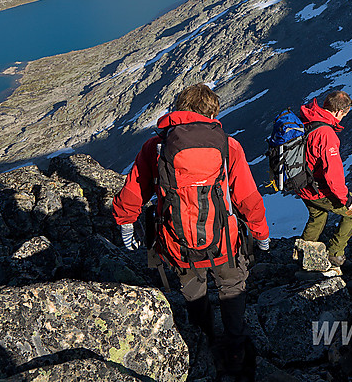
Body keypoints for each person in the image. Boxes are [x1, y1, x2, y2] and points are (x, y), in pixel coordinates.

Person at [112, 83, 269, 375]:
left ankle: (205, 340)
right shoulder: (228, 145)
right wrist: (260, 234)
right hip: (224, 242)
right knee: (232, 286)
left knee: (193, 289)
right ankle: (235, 349)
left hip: (177, 242)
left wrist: (125, 223)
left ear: (179, 109)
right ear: (213, 112)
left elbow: (134, 190)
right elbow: (247, 197)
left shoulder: (156, 147)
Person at [298, 90, 352, 267]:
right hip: (316, 188)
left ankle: (303, 255)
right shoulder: (326, 135)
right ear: (338, 111)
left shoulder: (308, 119)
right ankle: (335, 253)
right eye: (344, 114)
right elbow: (332, 174)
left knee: (317, 216)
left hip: (301, 183)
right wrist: (346, 199)